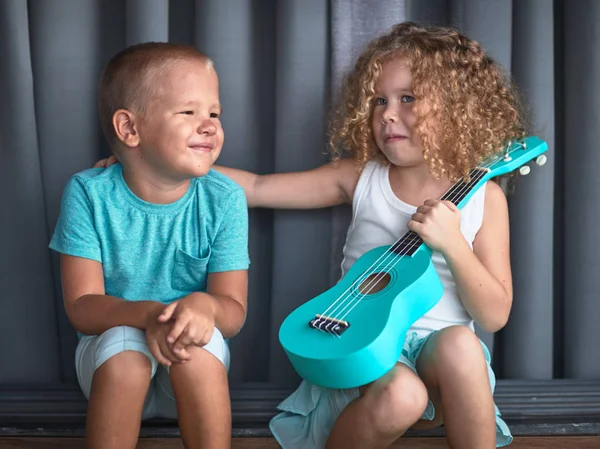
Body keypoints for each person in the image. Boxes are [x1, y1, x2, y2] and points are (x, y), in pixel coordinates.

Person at [51, 42, 249, 449]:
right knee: (125, 353)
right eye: (188, 112)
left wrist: (204, 307)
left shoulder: (225, 198)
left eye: (214, 113)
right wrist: (151, 316)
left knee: (198, 342)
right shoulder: (88, 193)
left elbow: (232, 312)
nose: (209, 125)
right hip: (112, 363)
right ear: (129, 129)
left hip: (190, 375)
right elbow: (83, 307)